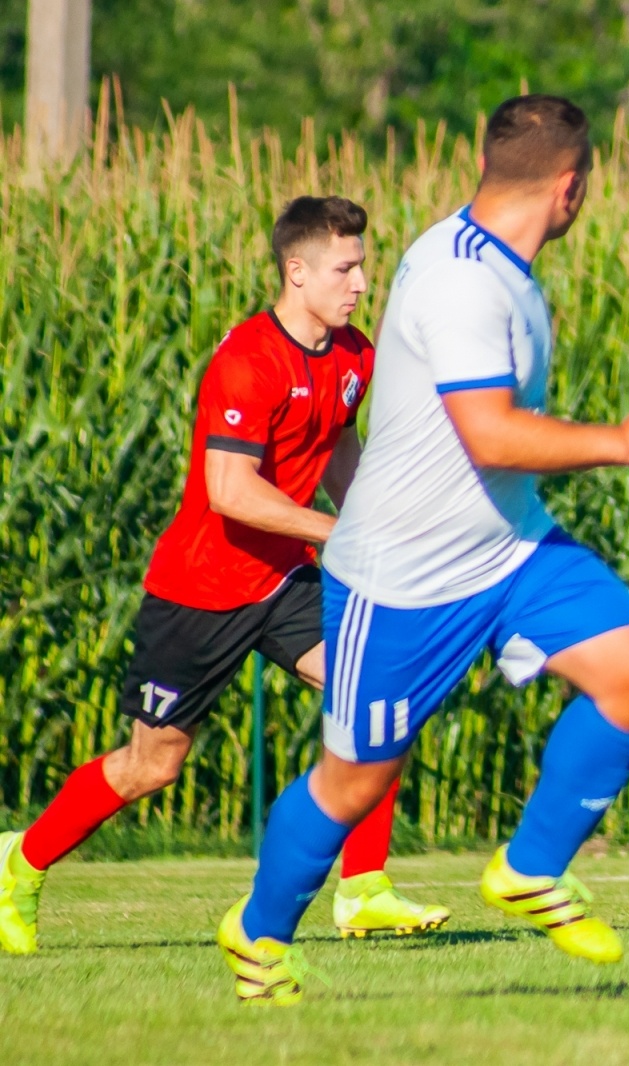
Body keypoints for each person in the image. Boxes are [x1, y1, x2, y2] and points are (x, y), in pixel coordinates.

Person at [215, 94, 629, 1005]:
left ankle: (530, 870)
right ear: (570, 186)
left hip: (507, 551)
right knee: (354, 784)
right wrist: (623, 441)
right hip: (400, 576)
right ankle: (260, 931)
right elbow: (491, 437)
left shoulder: (502, 262)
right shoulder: (463, 279)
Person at [0, 196, 448, 957]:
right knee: (153, 764)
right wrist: (344, 534)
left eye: (363, 265)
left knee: (383, 694)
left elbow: (337, 446)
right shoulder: (246, 360)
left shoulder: (353, 355)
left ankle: (364, 888)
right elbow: (231, 495)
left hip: (282, 582)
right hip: (199, 591)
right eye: (346, 267)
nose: (361, 282)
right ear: (295, 271)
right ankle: (20, 862)